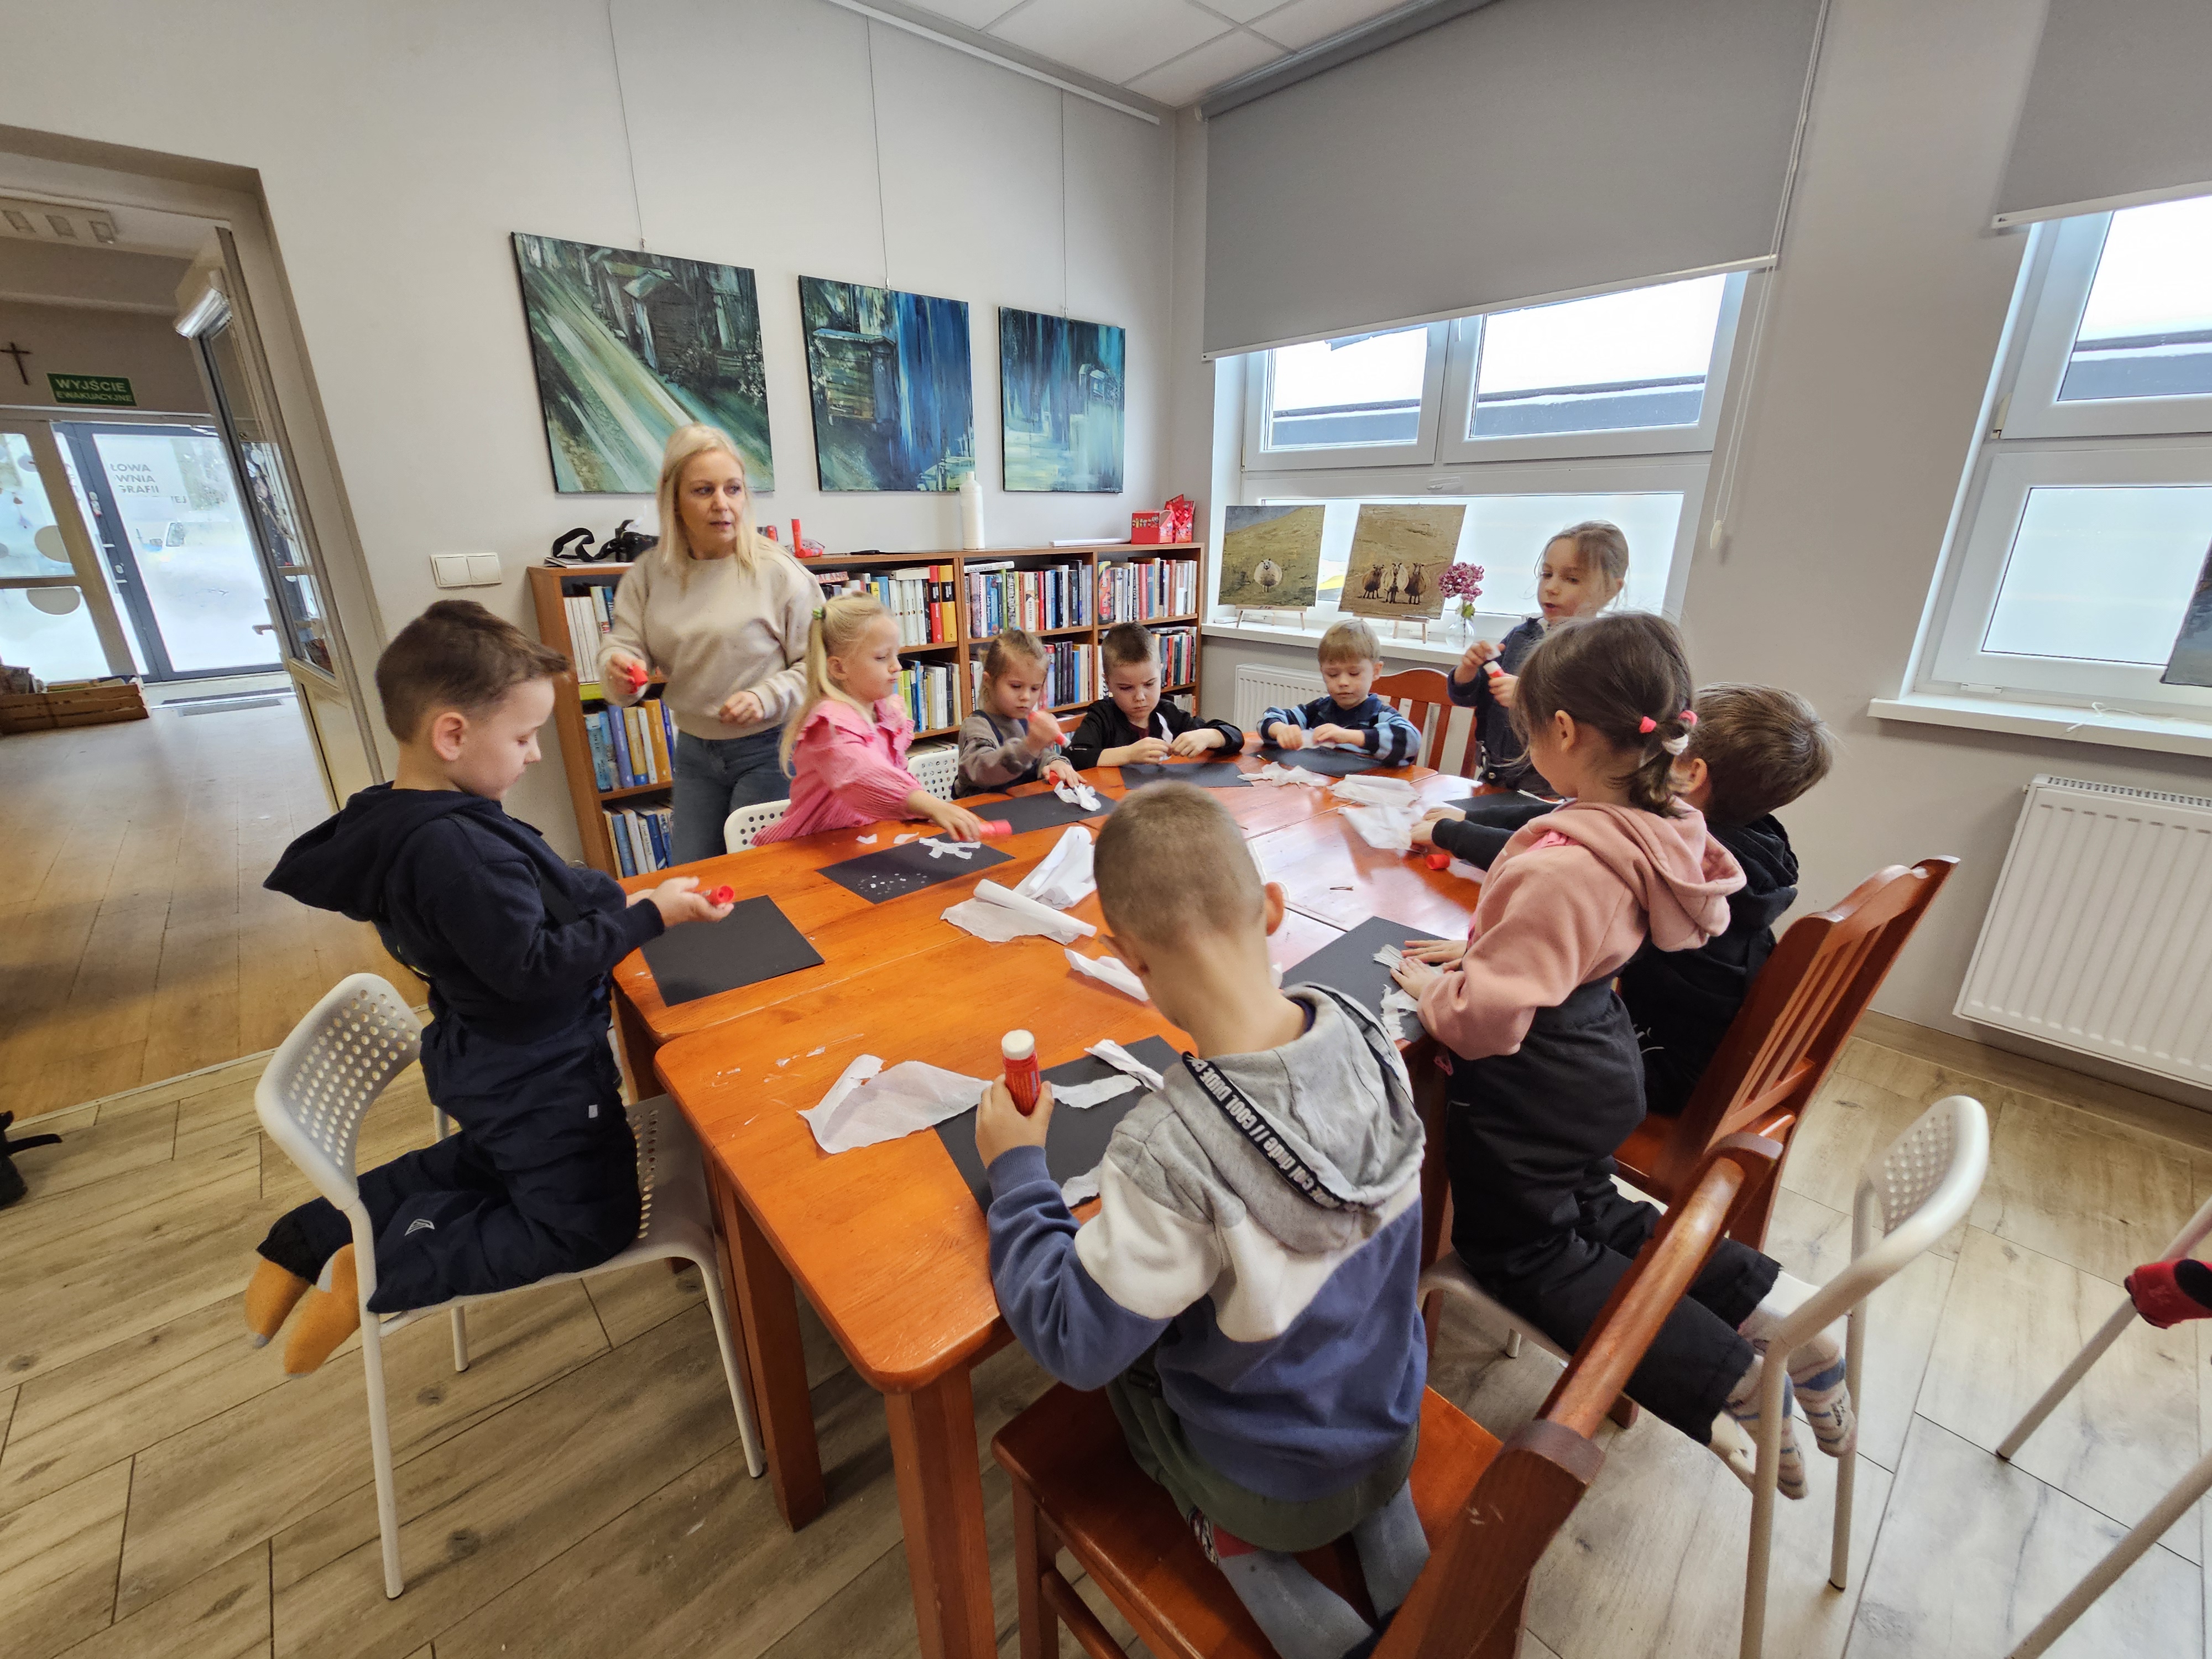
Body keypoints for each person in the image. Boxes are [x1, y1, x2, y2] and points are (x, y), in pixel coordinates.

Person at [1389, 613, 1854, 1500]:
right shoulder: (1663, 824)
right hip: (1602, 1053)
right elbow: (1570, 943)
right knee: (1593, 1210)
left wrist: (1438, 993)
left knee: (1522, 1250)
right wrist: (1494, 953)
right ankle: (1780, 1309)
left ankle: (1724, 1375)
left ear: (1563, 732)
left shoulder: (1563, 865)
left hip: (1536, 1082)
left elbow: (1486, 1025)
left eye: (1527, 729)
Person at [977, 782, 1431, 1659]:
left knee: (1131, 1370)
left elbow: (1075, 1342)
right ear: (1273, 908)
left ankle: (1239, 1547)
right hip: (1390, 1418)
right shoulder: (1371, 1034)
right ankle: (1393, 1535)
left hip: (1268, 1486)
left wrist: (1018, 1171)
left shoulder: (1168, 1152)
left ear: (1129, 959)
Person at [245, 601, 731, 1374]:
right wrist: (648, 918)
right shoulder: (457, 852)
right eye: (524, 736)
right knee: (587, 1225)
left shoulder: (410, 816)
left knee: (491, 1162)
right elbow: (530, 967)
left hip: (491, 1064)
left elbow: (535, 894)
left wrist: (620, 897)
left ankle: (308, 1236)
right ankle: (374, 1270)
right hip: (536, 1072)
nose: (534, 755)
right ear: (452, 735)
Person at [601, 424, 817, 864]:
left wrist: (768, 696)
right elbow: (624, 645)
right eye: (703, 490)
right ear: (674, 500)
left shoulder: (779, 572)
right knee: (693, 872)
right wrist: (619, 667)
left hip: (773, 749)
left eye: (733, 489)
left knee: (759, 874)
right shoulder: (648, 575)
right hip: (695, 750)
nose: (723, 504)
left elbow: (821, 665)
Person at [1617, 684, 1836, 1119]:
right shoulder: (1756, 845)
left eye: (1668, 747)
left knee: (1513, 1045)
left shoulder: (1683, 859)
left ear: (1692, 775)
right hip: (1713, 1062)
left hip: (1664, 1073)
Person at [1430, 521, 1629, 864]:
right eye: (1546, 574)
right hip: (1496, 777)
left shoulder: (1600, 652)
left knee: (1524, 857)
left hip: (1550, 791)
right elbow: (1474, 698)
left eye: (1572, 579)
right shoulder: (1522, 636)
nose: (1551, 588)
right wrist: (1468, 673)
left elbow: (1592, 722)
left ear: (1611, 589)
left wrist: (1531, 696)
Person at [753, 591, 992, 844]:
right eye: (881, 657)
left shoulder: (885, 712)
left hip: (862, 839)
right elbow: (864, 775)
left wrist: (922, 810)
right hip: (811, 846)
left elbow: (895, 773)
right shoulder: (829, 723)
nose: (897, 666)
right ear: (839, 668)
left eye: (895, 655)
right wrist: (932, 806)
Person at [1063, 622, 1245, 771]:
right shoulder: (1102, 716)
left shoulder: (1167, 712)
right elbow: (1074, 756)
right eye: (1126, 688)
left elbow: (1236, 736)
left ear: (1160, 673)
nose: (1140, 697)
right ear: (1108, 683)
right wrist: (1128, 755)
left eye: (1150, 684)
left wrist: (1207, 736)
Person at [1257, 617, 1421, 765]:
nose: (1343, 682)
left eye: (1354, 674)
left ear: (1376, 671)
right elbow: (1268, 720)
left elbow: (1412, 740)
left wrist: (1349, 736)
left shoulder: (1380, 716)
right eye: (1332, 674)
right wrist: (1282, 731)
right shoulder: (1318, 710)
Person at [957, 628, 1082, 797]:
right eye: (1016, 686)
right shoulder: (976, 726)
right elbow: (983, 770)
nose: (1026, 697)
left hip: (1019, 805)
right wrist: (1030, 746)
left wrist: (1056, 762)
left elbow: (1041, 755)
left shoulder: (1027, 720)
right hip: (979, 810)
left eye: (1035, 688)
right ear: (988, 681)